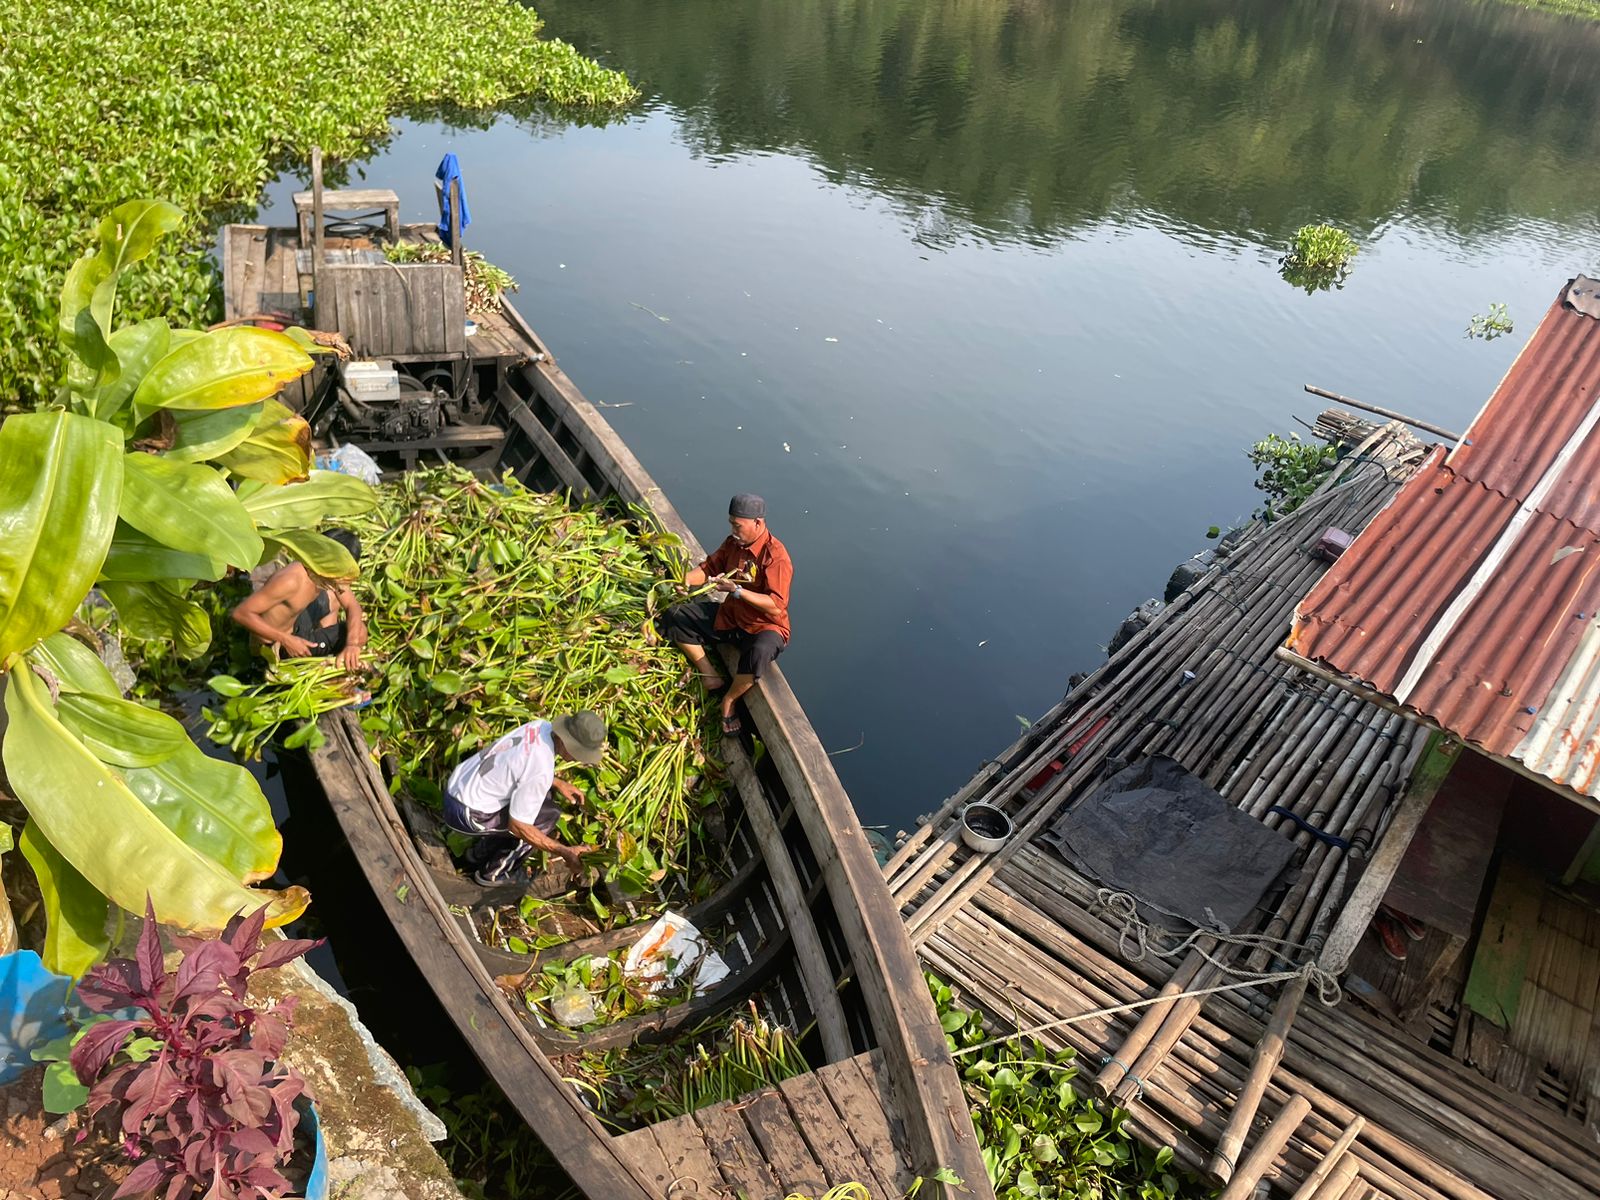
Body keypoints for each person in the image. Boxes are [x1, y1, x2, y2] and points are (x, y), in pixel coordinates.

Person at [656, 494, 792, 735]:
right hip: (732, 617)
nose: (733, 531)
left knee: (760, 652)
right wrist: (686, 580)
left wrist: (737, 591)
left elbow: (776, 605)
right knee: (675, 615)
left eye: (738, 526)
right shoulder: (733, 544)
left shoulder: (776, 557)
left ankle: (729, 701)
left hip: (763, 625)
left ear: (758, 523)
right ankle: (710, 675)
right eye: (731, 524)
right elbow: (710, 568)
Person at [443, 711, 605, 886]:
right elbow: (519, 826)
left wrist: (557, 782)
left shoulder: (540, 726)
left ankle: (477, 854)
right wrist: (564, 851)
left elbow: (521, 765)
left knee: (544, 798)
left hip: (458, 785)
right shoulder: (541, 767)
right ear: (566, 741)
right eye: (578, 752)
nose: (578, 758)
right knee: (544, 819)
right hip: (465, 813)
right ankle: (495, 873)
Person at [230, 529, 368, 670]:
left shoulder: (322, 572)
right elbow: (240, 613)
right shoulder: (291, 580)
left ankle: (326, 651)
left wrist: (352, 644)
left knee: (342, 609)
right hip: (278, 645)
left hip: (296, 625)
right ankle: (321, 656)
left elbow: (352, 605)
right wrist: (286, 640)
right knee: (361, 632)